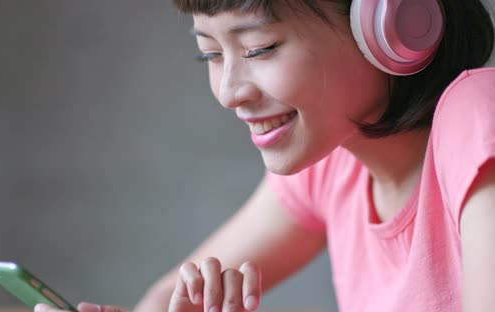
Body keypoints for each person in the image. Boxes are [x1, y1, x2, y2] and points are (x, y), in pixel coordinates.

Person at [36, 0, 495, 311]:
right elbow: (167, 300)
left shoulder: (478, 113)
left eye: (260, 48)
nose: (231, 93)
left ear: (394, 23)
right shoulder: (333, 163)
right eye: (210, 55)